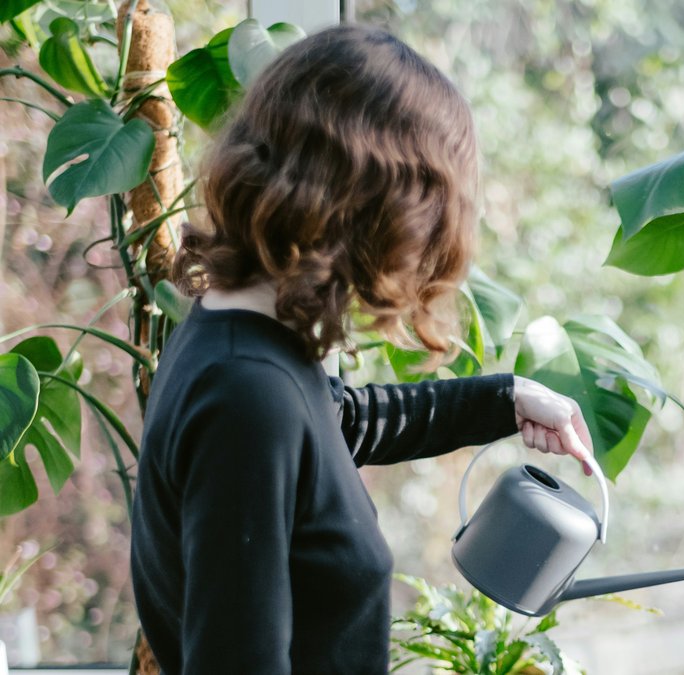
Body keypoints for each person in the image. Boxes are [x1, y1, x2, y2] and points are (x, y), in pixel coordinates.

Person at [129, 24, 593, 675]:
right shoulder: (246, 395)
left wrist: (507, 399)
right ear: (380, 210)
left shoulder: (242, 336)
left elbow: (337, 420)